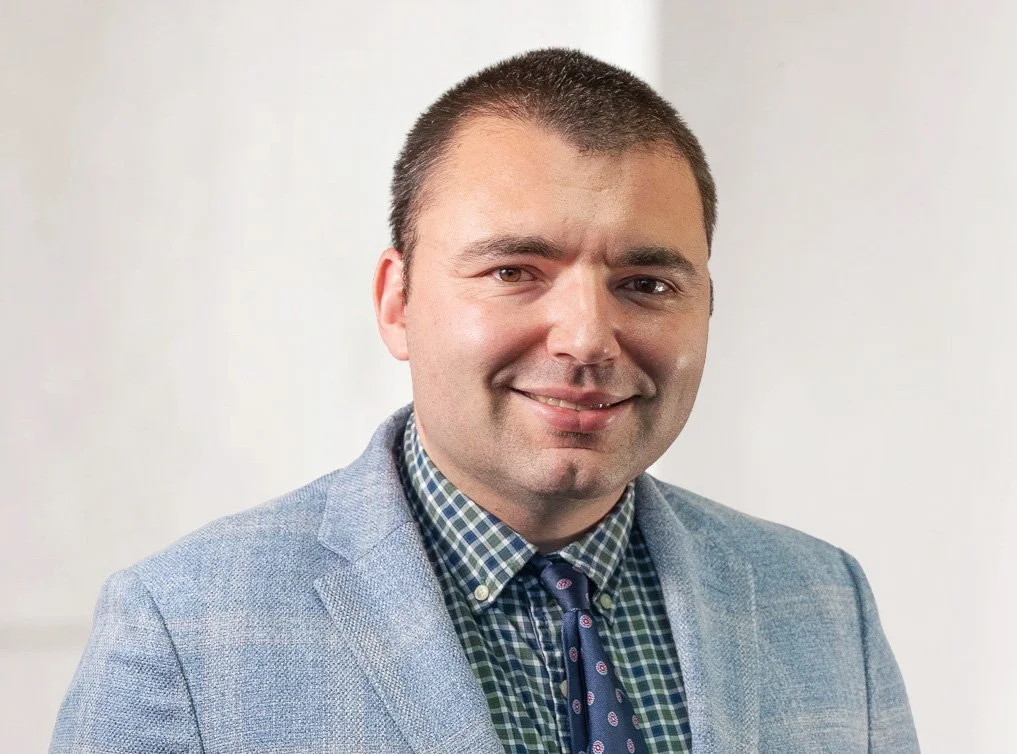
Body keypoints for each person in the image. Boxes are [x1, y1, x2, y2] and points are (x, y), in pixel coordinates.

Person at [50, 49, 920, 753]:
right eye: (514, 272)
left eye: (646, 283)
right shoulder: (184, 632)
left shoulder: (822, 603)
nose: (586, 338)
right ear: (397, 302)